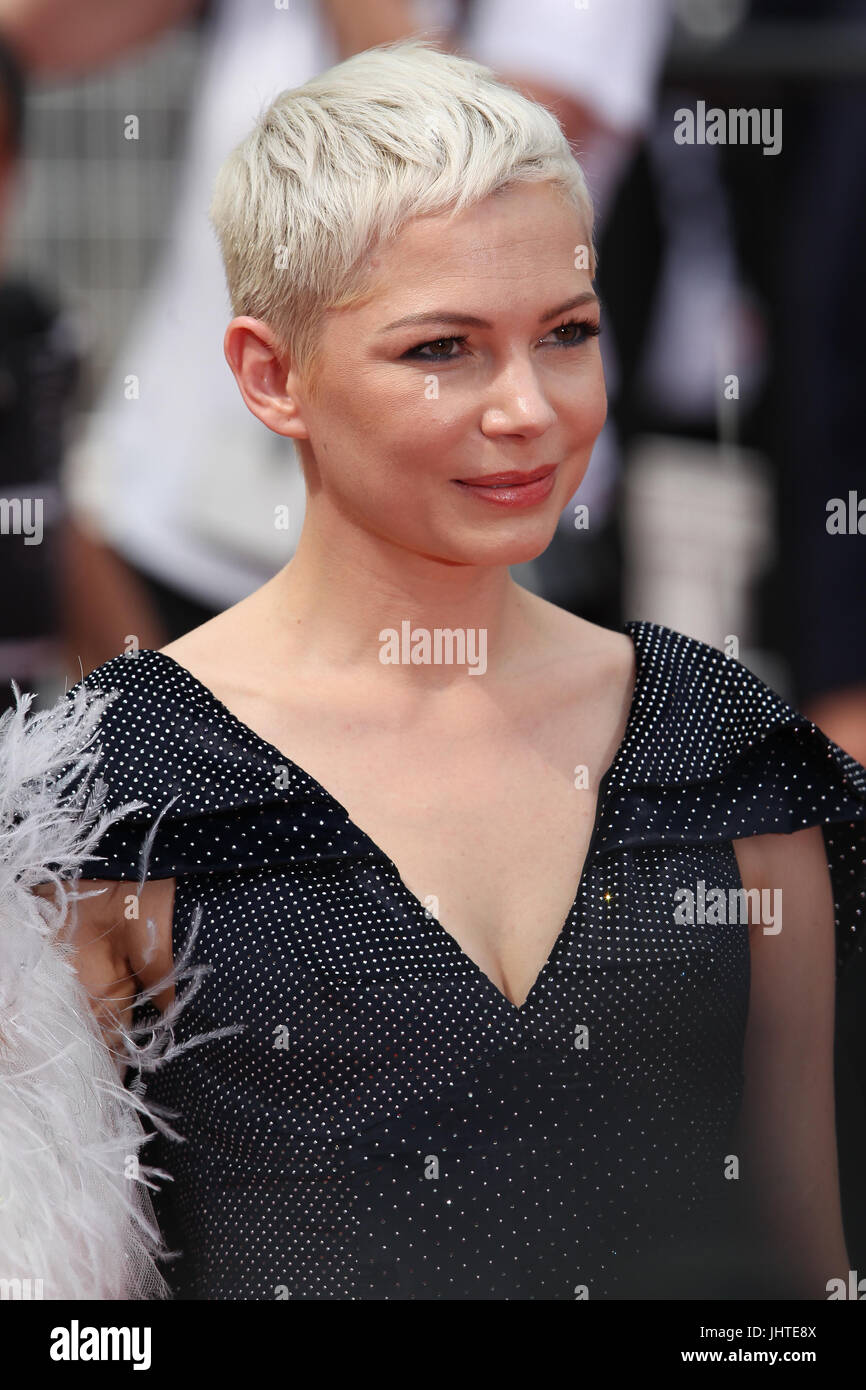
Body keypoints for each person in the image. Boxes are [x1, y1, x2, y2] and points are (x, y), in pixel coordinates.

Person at [4, 38, 865, 1300]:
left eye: (566, 333)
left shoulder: (726, 754)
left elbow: (810, 1280)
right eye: (440, 349)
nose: (527, 407)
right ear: (268, 374)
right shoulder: (107, 803)